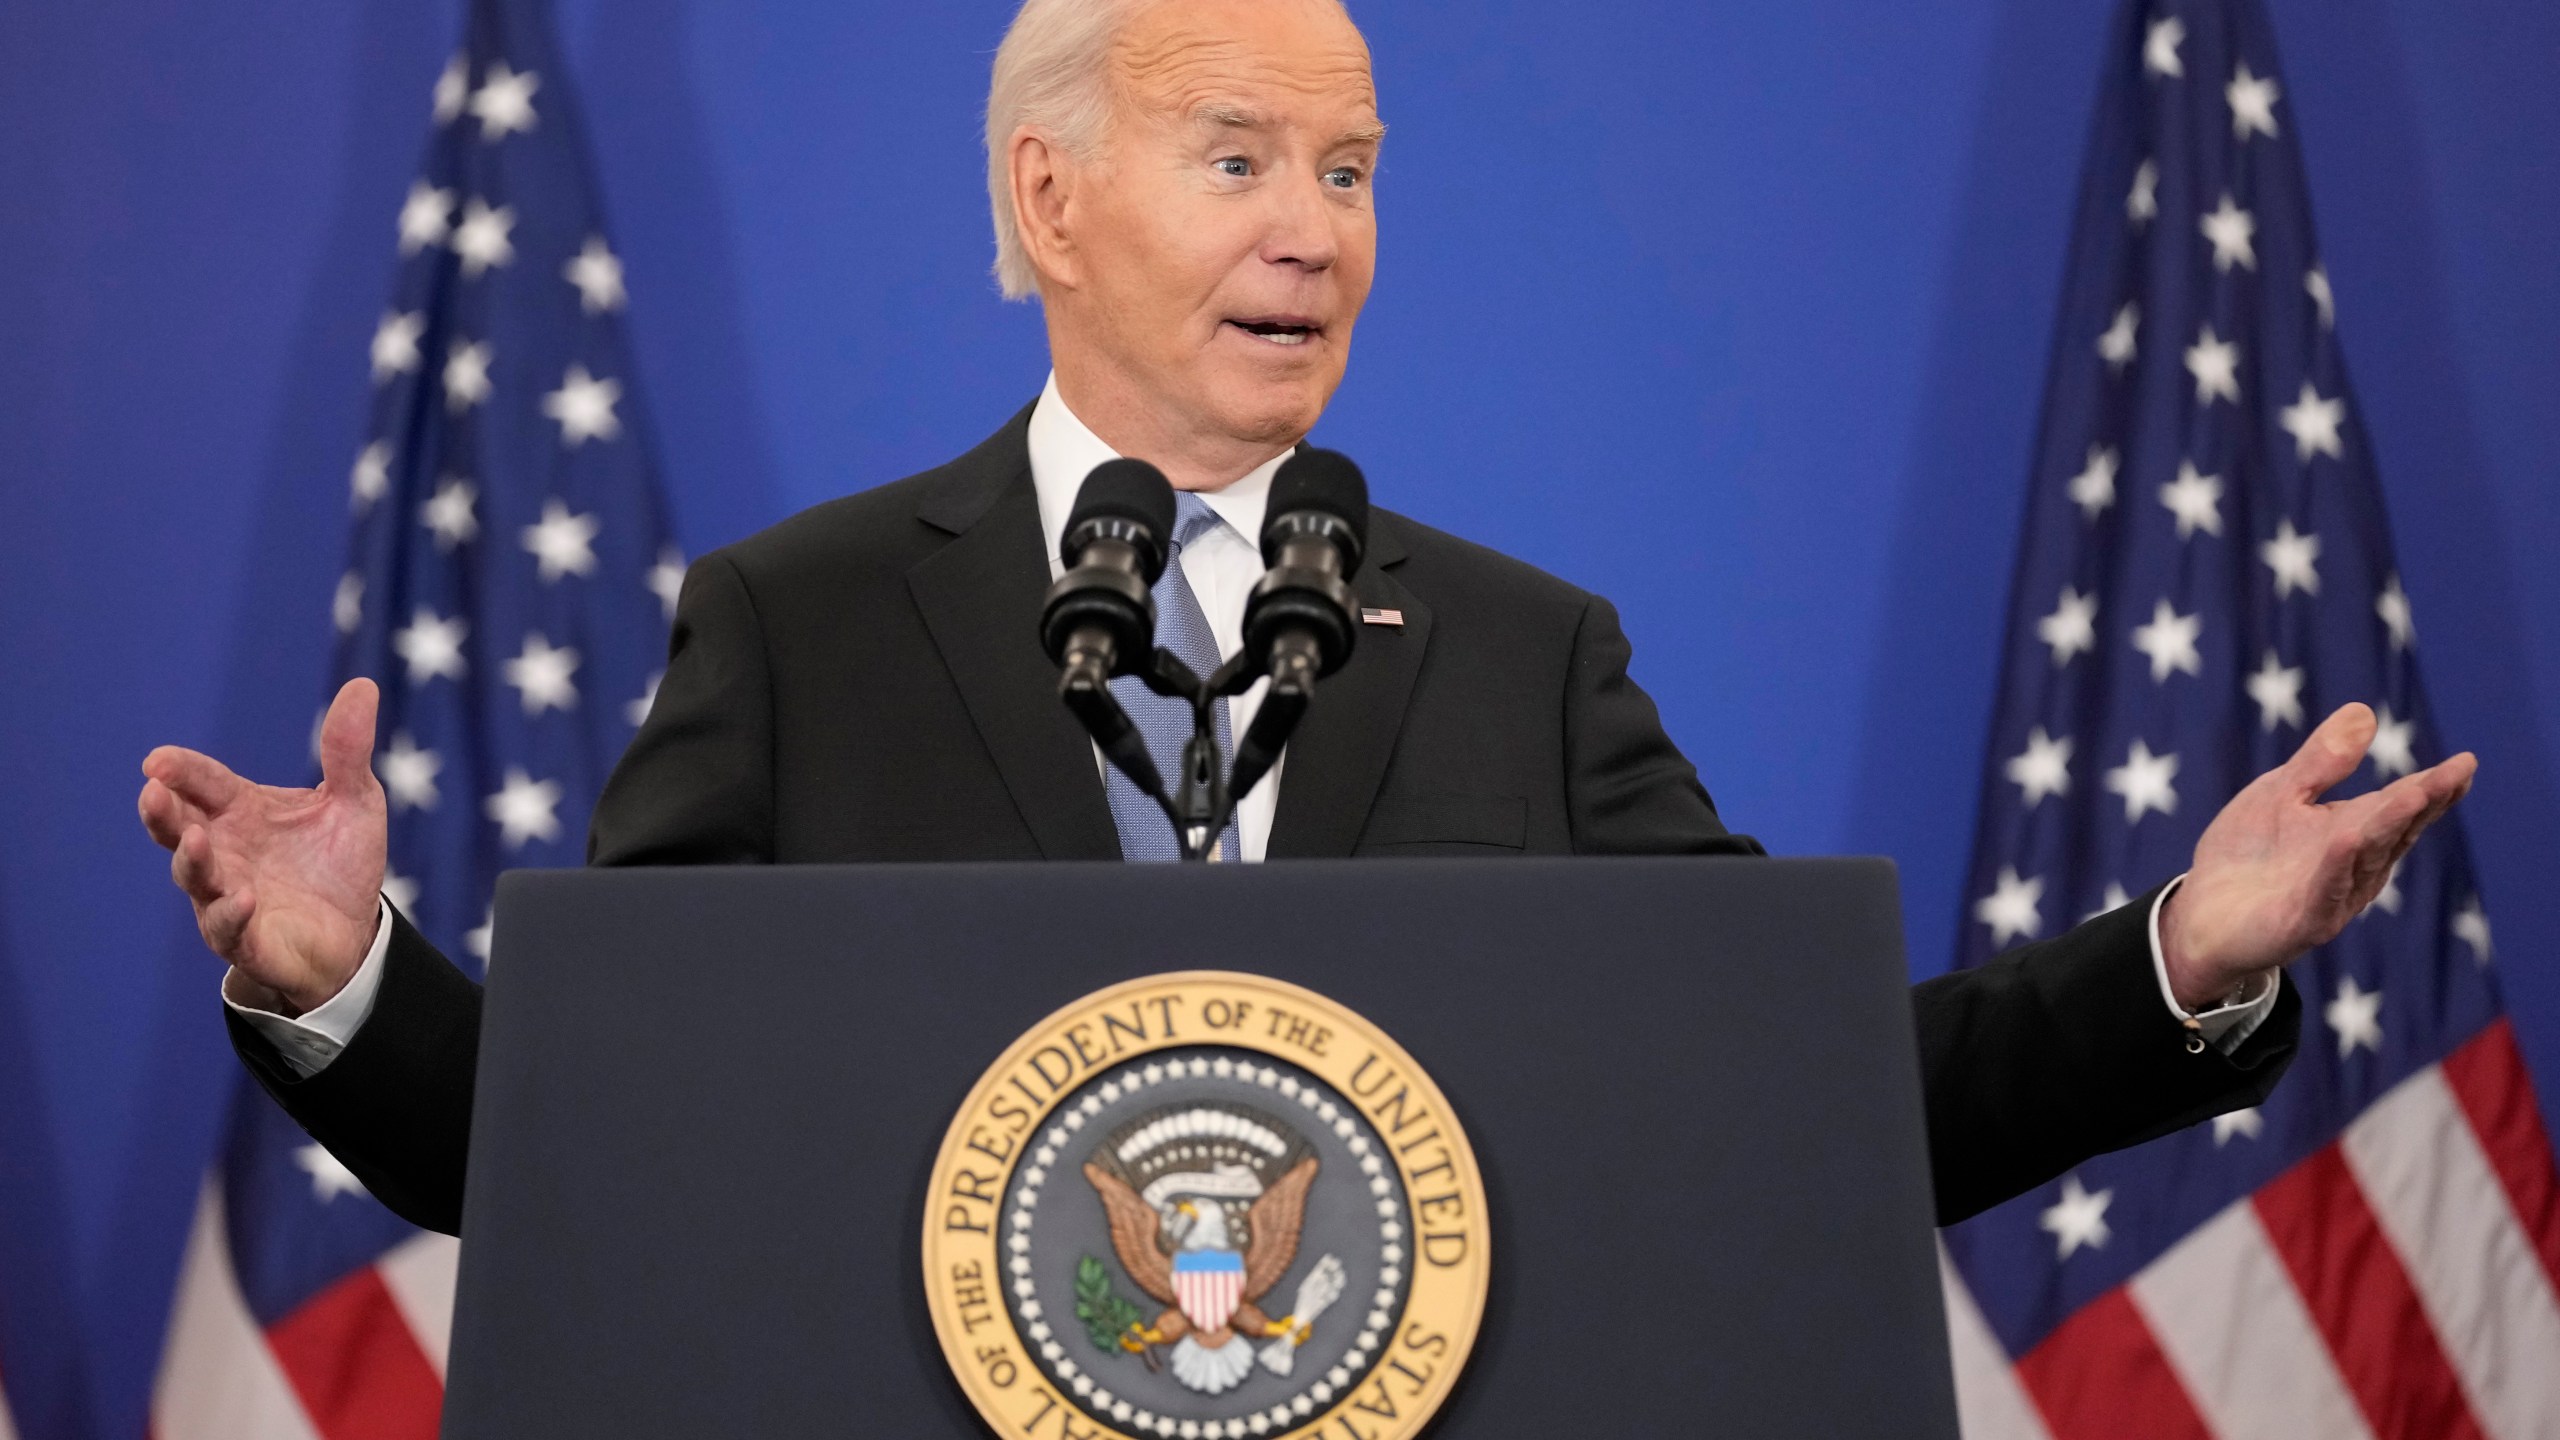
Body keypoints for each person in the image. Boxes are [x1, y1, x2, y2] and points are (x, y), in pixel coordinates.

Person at [136, 0, 2473, 1238]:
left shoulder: (1524, 656)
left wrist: (2184, 955)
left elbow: (1804, 1092)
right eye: (1239, 157)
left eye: (1348, 169)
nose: (1312, 229)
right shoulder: (800, 624)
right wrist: (347, 982)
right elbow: (597, 1148)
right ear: (1051, 198)